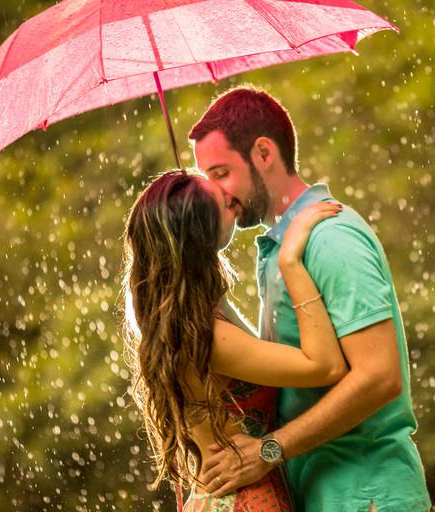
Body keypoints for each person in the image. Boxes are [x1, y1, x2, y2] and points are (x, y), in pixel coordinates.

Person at [190, 86, 432, 511]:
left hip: (365, 493)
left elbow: (380, 376)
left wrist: (268, 451)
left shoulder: (330, 237)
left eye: (221, 173)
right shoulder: (280, 251)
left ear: (264, 153)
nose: (220, 193)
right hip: (319, 493)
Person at [121, 169, 349, 511]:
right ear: (196, 237)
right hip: (249, 501)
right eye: (222, 204)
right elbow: (326, 365)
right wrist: (291, 260)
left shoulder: (185, 322)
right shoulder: (209, 339)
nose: (233, 199)